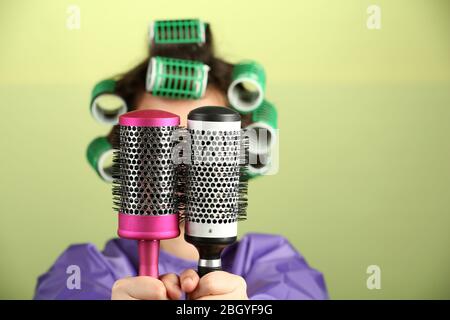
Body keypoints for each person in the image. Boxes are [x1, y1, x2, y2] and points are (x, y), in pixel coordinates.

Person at [34, 23, 328, 300]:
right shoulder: (81, 270)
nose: (182, 167)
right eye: (157, 143)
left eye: (207, 142)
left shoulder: (275, 263)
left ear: (239, 158)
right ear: (126, 159)